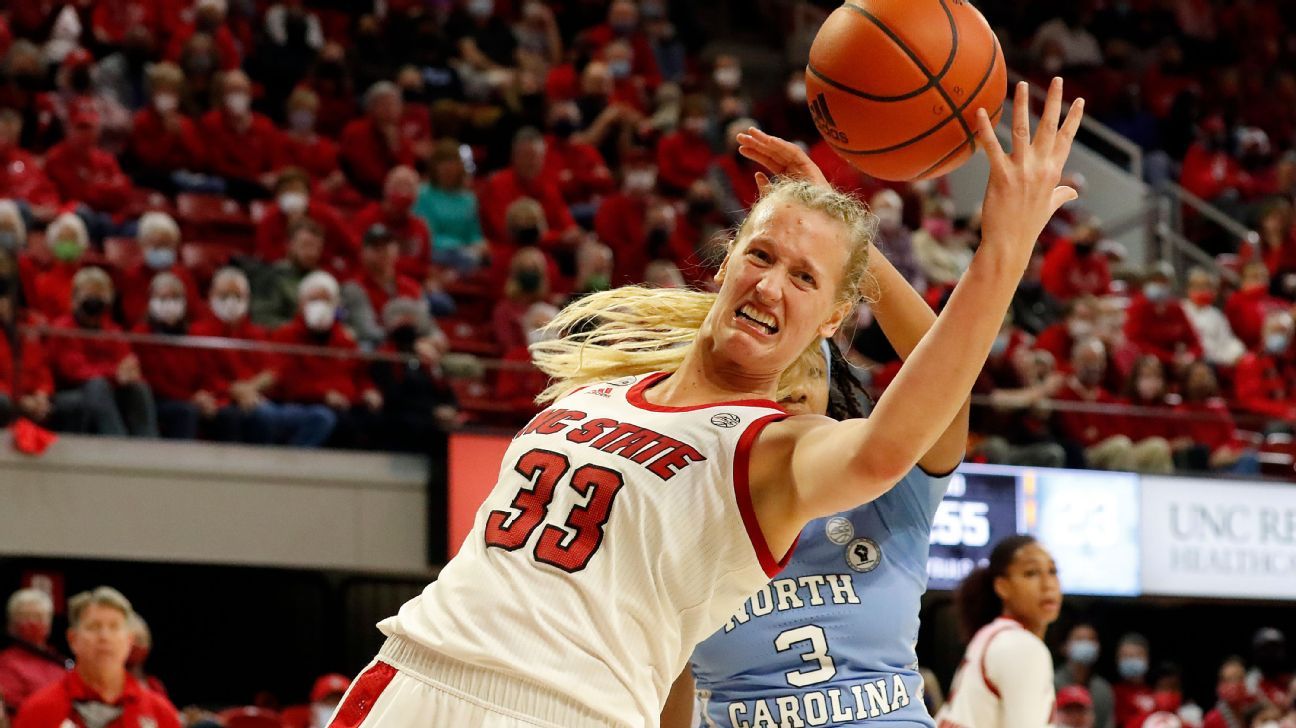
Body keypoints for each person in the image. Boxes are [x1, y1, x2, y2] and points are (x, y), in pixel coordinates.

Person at [330, 80, 1082, 726]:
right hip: (416, 671)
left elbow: (897, 439)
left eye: (805, 278)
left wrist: (1001, 256)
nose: (770, 284)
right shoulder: (601, 389)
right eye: (760, 255)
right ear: (726, 263)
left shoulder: (770, 450)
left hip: (568, 708)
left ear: (831, 323)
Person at [665, 128, 967, 728]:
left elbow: (945, 365)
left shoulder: (889, 479)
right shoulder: (693, 497)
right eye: (783, 373)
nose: (798, 385)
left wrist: (837, 239)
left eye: (814, 369)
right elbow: (669, 691)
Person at [195, 267, 335, 447]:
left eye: (238, 296)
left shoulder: (257, 333)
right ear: (211, 296)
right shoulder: (199, 334)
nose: (231, 302)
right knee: (263, 417)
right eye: (225, 296)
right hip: (230, 402)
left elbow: (274, 371)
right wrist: (234, 391)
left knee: (322, 417)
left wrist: (251, 387)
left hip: (264, 400)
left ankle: (290, 465)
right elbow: (205, 377)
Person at [934, 535, 1062, 728]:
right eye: (1031, 573)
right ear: (1002, 586)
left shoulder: (990, 634)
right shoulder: (1021, 647)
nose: (1048, 584)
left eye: (1052, 571)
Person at [14, 587, 180, 728]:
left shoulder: (161, 714)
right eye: (94, 627)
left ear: (129, 640)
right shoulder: (38, 711)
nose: (104, 636)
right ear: (73, 639)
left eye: (114, 627)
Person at [46, 267, 158, 437]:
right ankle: (116, 443)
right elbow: (74, 371)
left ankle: (149, 445)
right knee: (97, 385)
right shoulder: (62, 328)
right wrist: (114, 373)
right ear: (75, 298)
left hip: (108, 388)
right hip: (68, 391)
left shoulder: (113, 330)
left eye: (100, 295)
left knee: (138, 388)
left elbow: (126, 364)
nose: (94, 300)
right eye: (89, 294)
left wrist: (128, 373)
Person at [414, 140, 487, 275]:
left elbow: (474, 233)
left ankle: (453, 276)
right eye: (443, 164)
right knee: (464, 258)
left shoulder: (468, 199)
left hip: (466, 253)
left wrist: (479, 244)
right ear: (434, 167)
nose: (448, 169)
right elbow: (426, 233)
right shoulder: (423, 195)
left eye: (452, 165)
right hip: (436, 251)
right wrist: (459, 247)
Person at [0, 590, 68, 717]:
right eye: (25, 617)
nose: (32, 622)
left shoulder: (59, 661)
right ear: (11, 623)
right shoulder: (5, 663)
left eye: (39, 617)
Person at [1057, 624, 1117, 728]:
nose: (1085, 644)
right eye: (1079, 639)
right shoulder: (1052, 683)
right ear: (1064, 646)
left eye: (1091, 639)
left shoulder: (1103, 689)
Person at [1114, 634, 1156, 728]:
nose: (1131, 660)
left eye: (1136, 655)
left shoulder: (1155, 692)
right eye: (1126, 656)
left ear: (1147, 659)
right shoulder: (1112, 693)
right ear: (1117, 660)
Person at [1202, 657, 1254, 728]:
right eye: (1228, 680)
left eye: (1239, 678)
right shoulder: (1212, 719)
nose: (1234, 684)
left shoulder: (1253, 711)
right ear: (1219, 686)